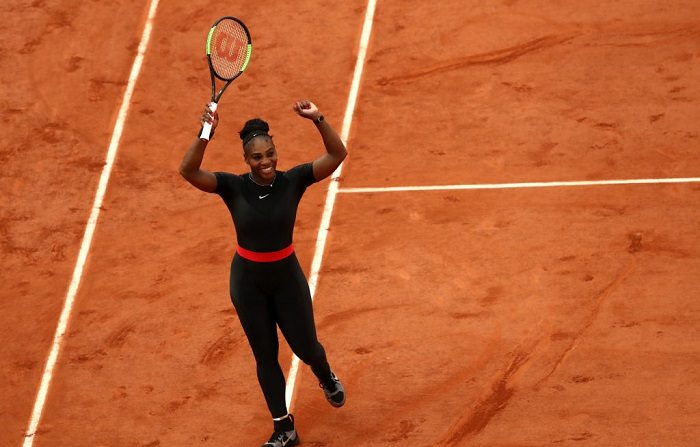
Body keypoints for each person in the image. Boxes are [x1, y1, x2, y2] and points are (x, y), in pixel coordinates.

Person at [179, 99, 347, 447]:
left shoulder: (294, 180)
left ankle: (325, 374)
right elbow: (189, 171)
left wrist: (319, 119)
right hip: (247, 284)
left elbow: (337, 155)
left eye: (270, 153)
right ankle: (284, 427)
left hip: (287, 279)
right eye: (257, 157)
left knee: (306, 348)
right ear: (246, 160)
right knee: (265, 355)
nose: (266, 161)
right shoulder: (232, 186)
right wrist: (205, 132)